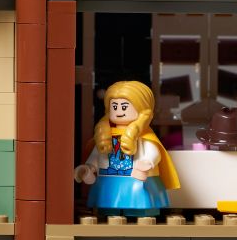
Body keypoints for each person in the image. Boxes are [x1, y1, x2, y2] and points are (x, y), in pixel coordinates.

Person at [73, 80, 181, 216]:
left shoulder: (144, 135)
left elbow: (153, 151)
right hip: (108, 179)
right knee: (107, 205)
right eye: (114, 106)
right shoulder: (105, 135)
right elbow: (98, 155)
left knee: (140, 202)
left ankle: (139, 212)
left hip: (136, 180)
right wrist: (90, 167)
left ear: (142, 109)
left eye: (124, 107)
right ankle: (108, 211)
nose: (118, 111)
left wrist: (147, 162)